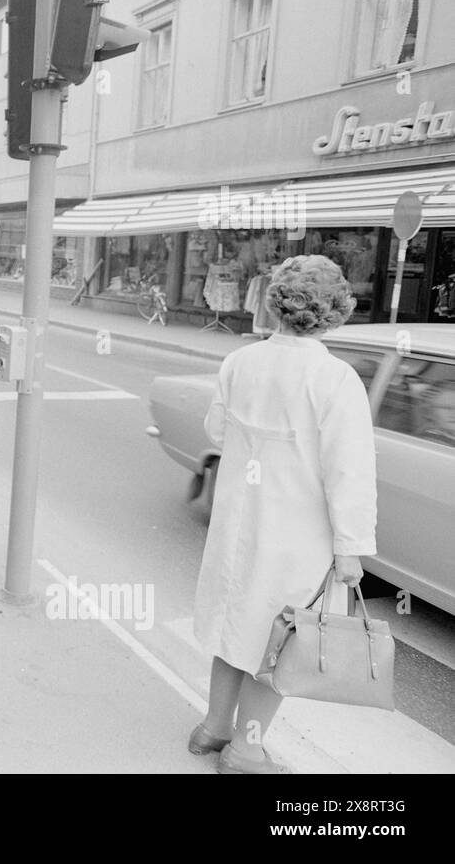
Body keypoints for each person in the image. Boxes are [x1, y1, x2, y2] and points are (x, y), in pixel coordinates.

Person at [190, 255, 377, 774]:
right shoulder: (335, 379)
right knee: (280, 641)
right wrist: (350, 550)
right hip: (296, 535)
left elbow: (218, 434)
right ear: (335, 313)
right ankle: (246, 750)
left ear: (274, 304)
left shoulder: (240, 363)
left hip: (237, 524)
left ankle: (213, 728)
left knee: (235, 622)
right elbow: (350, 471)